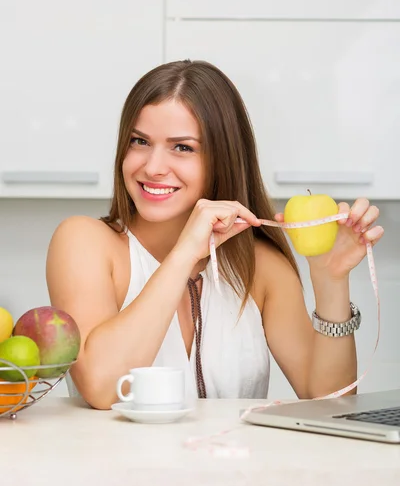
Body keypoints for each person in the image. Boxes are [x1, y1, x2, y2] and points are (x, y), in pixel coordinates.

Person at [46, 60, 384, 410]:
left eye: (182, 147)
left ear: (222, 158)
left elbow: (330, 403)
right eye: (139, 141)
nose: (152, 166)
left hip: (233, 464)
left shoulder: (262, 268)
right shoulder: (83, 243)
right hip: (116, 466)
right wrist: (184, 254)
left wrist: (330, 281)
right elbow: (103, 387)